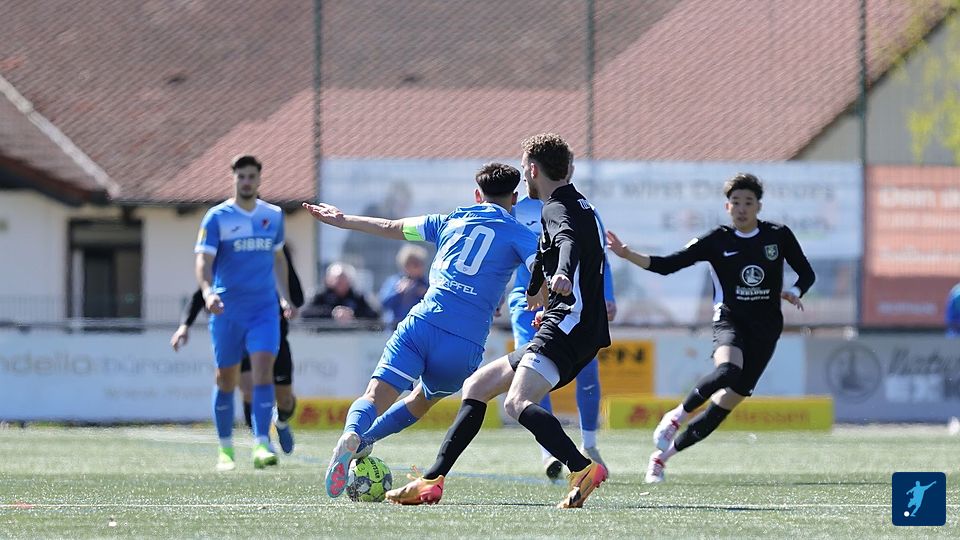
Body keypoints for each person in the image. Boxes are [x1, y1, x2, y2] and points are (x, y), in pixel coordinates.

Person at [386, 133, 611, 509]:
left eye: (524, 168)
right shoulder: (579, 204)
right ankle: (432, 481)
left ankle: (582, 467)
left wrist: (562, 275)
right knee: (478, 385)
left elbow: (569, 242)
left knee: (517, 401)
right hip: (571, 321)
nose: (523, 176)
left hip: (570, 323)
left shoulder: (556, 207)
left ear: (534, 169)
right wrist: (549, 296)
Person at [302, 162, 538, 499]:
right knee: (422, 398)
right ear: (514, 198)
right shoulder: (521, 233)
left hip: (423, 322)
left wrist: (343, 220)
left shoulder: (450, 220)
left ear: (477, 195)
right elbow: (538, 270)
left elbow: (392, 226)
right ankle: (367, 440)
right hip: (464, 342)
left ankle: (353, 433)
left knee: (374, 396)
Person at [605, 172, 815, 484]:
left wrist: (795, 291)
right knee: (728, 370)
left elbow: (806, 273)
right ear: (727, 207)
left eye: (748, 202)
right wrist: (627, 254)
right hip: (730, 319)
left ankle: (661, 459)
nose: (741, 208)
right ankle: (675, 416)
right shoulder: (717, 240)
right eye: (735, 202)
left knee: (724, 405)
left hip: (767, 328)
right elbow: (668, 265)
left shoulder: (778, 235)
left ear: (759, 206)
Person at [510, 174, 617, 480]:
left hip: (568, 301)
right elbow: (506, 253)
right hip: (528, 302)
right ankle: (549, 453)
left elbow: (598, 255)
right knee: (530, 373)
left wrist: (607, 295)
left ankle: (590, 444)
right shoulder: (518, 208)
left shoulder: (580, 207)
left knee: (587, 370)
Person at [194, 154, 296, 471]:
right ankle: (225, 448)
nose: (247, 182)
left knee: (263, 371)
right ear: (234, 179)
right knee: (226, 379)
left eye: (251, 176)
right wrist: (208, 292)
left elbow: (279, 259)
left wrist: (285, 298)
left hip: (264, 309)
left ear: (259, 179)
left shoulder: (273, 216)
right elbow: (203, 261)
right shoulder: (217, 217)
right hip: (228, 310)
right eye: (241, 176)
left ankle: (261, 442)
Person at [170, 244, 305, 454]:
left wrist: (285, 300)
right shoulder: (232, 268)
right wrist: (184, 326)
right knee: (249, 389)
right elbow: (200, 295)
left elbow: (298, 298)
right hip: (243, 341)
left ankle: (281, 421)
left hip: (276, 340)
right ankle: (262, 442)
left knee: (286, 401)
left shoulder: (276, 265)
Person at [300, 262, 380, 324]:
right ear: (328, 279)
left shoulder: (357, 296)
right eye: (337, 279)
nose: (340, 282)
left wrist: (352, 313)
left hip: (353, 337)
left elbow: (374, 314)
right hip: (323, 337)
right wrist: (332, 313)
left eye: (343, 278)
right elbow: (304, 313)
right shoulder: (319, 295)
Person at [379, 245, 429, 329]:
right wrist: (399, 292)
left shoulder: (426, 284)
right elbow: (384, 303)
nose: (420, 267)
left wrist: (425, 294)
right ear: (406, 265)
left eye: (421, 264)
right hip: (395, 327)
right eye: (416, 264)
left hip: (418, 328)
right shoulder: (394, 281)